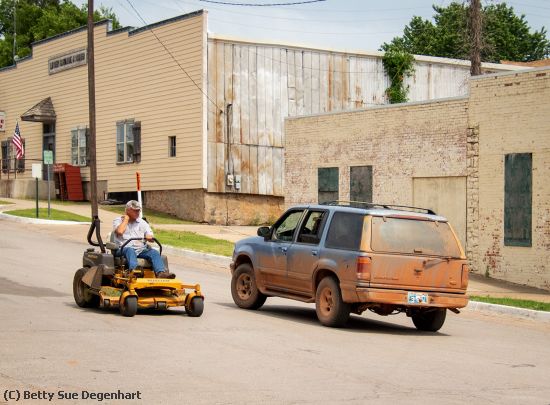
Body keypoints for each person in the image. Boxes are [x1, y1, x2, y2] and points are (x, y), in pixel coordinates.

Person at [113, 200, 175, 279]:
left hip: (140, 250)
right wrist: (126, 219)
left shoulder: (143, 222)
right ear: (127, 210)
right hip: (123, 249)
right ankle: (134, 271)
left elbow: (150, 236)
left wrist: (149, 237)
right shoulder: (118, 220)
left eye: (138, 210)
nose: (137, 212)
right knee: (130, 250)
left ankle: (160, 273)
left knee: (154, 252)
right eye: (135, 211)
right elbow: (120, 231)